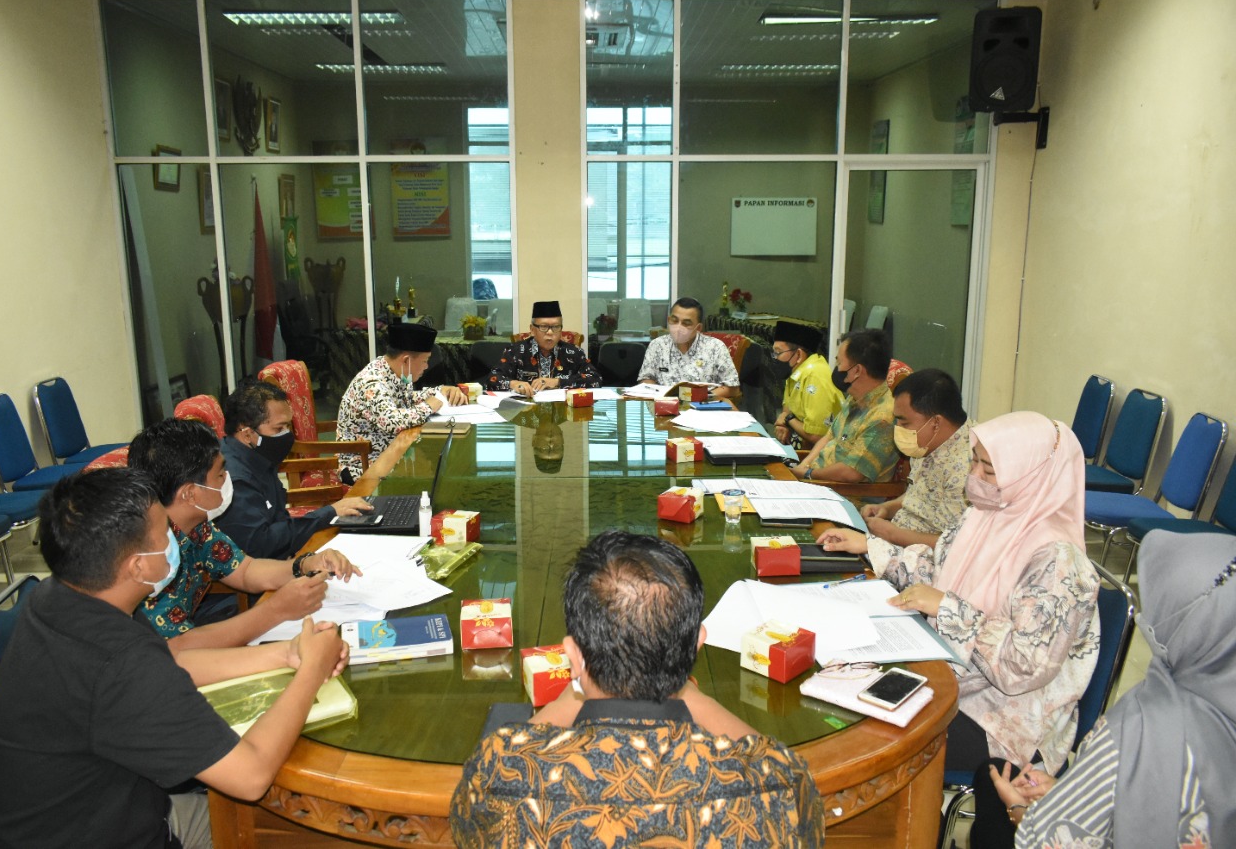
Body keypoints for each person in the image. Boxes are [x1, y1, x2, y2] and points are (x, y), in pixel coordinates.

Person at [0, 468, 349, 849]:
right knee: (305, 833)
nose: (174, 539)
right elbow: (250, 777)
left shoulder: (65, 595)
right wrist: (311, 672)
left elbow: (171, 664)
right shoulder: (121, 661)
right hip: (111, 830)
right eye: (165, 532)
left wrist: (286, 653)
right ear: (138, 566)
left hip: (92, 812)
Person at [450, 531, 824, 848]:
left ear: (573, 657)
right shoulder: (775, 783)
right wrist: (691, 694)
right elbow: (780, 766)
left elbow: (469, 823)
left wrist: (576, 686)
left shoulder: (503, 771)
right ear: (696, 645)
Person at [820, 411, 1100, 781]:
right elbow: (938, 572)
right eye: (974, 462)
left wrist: (948, 609)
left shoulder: (1059, 563)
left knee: (869, 739)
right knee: (840, 690)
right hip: (951, 673)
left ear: (1031, 476)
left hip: (1004, 717)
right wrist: (870, 546)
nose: (974, 476)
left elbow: (1022, 667)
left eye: (989, 470)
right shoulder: (984, 516)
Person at [981, 530, 1236, 849]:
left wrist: (1018, 810)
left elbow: (1046, 842)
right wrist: (1068, 793)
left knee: (990, 781)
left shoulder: (1139, 728)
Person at [127, 418, 360, 650]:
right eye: (220, 474)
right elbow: (176, 648)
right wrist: (276, 610)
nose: (228, 479)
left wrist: (305, 564)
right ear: (189, 494)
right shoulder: (146, 553)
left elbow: (245, 570)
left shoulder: (197, 526)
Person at [217, 378, 374, 559]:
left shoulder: (257, 454)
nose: (287, 435)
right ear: (247, 434)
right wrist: (327, 514)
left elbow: (278, 519)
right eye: (279, 429)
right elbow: (263, 545)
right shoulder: (233, 480)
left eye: (288, 426)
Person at [336, 322, 468, 481]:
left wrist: (440, 391)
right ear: (406, 360)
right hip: (362, 466)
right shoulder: (372, 383)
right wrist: (428, 406)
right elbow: (392, 422)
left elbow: (407, 398)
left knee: (436, 467)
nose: (426, 366)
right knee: (434, 474)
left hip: (390, 454)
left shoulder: (392, 370)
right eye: (425, 360)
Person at [861, 368, 972, 548]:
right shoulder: (927, 442)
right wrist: (886, 508)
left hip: (919, 557)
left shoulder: (969, 467)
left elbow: (953, 546)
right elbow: (918, 495)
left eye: (904, 423)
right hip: (892, 541)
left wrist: (891, 533)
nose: (898, 428)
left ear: (936, 422)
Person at [791, 328, 899, 482]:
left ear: (856, 371)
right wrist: (803, 467)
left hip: (842, 491)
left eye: (839, 362)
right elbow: (829, 437)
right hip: (815, 480)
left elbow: (851, 473)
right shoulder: (855, 398)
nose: (836, 367)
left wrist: (808, 474)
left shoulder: (882, 418)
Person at [486, 300, 600, 397]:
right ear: (532, 330)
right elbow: (492, 379)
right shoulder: (515, 351)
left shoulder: (574, 352)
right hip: (526, 411)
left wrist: (557, 382)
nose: (550, 332)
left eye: (556, 327)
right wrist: (513, 384)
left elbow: (595, 379)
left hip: (563, 411)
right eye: (544, 327)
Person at [637, 297, 739, 399]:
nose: (678, 328)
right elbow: (645, 379)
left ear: (698, 328)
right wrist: (661, 396)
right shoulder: (657, 345)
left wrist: (694, 397)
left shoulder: (715, 347)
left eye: (686, 323)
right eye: (674, 320)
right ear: (668, 320)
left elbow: (732, 388)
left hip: (703, 404)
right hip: (664, 404)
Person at [771, 320, 842, 447]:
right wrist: (783, 424)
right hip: (799, 443)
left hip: (821, 453)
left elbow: (817, 437)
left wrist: (788, 419)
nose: (774, 358)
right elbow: (787, 409)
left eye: (778, 353)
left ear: (798, 354)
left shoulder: (815, 376)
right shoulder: (796, 371)